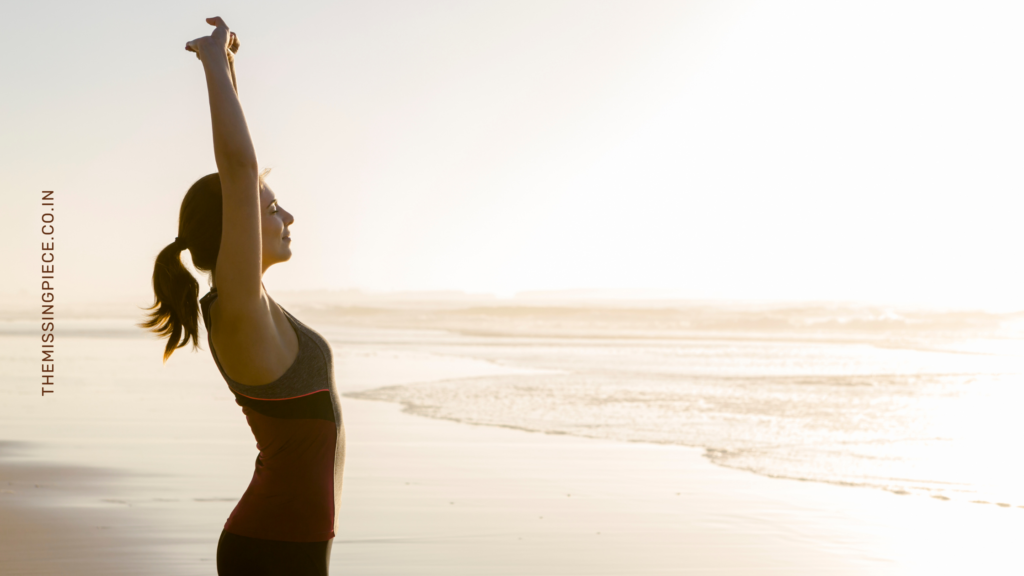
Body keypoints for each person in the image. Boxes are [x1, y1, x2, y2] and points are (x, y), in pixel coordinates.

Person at [141, 17, 344, 576]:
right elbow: (239, 167)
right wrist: (212, 64)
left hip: (292, 545)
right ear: (236, 228)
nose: (288, 217)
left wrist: (229, 67)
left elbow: (242, 175)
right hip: (272, 549)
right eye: (272, 209)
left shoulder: (252, 305)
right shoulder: (237, 309)